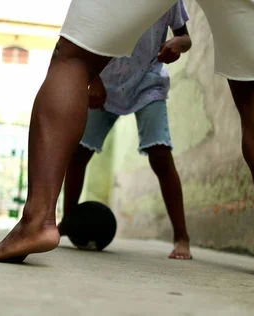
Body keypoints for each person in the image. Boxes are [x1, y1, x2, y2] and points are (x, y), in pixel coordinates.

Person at [0, 0, 254, 278]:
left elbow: (182, 35)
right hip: (116, 86)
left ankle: (36, 220)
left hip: (146, 85)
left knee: (73, 60)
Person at [58, 1, 193, 260]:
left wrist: (179, 45)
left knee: (160, 153)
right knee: (78, 153)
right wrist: (92, 79)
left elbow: (184, 37)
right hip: (106, 84)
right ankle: (68, 221)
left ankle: (181, 236)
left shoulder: (171, 2)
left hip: (147, 83)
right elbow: (85, 38)